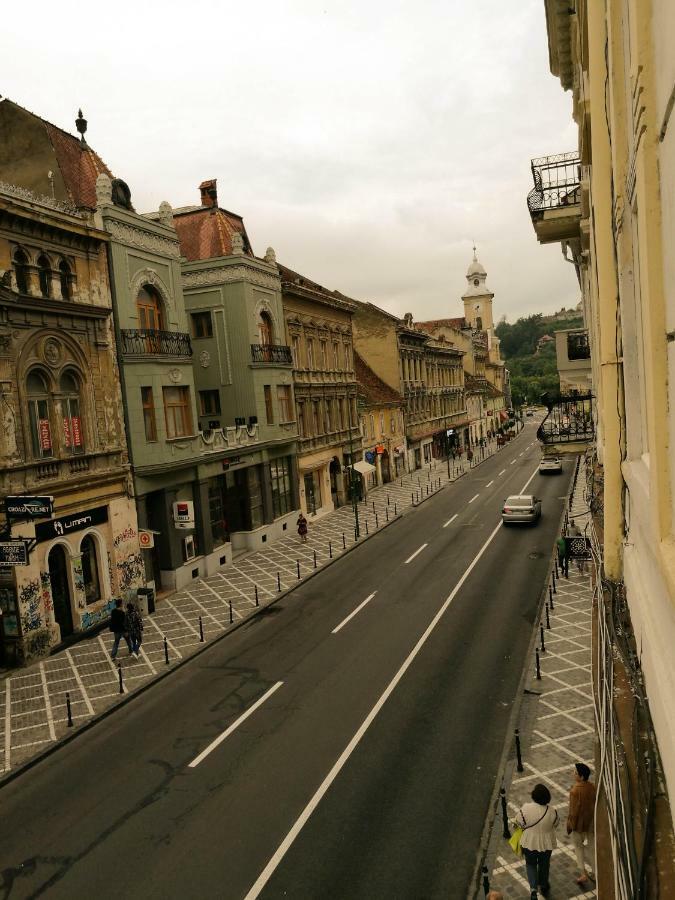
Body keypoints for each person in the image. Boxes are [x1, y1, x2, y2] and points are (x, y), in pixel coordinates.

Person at [516, 783, 559, 900]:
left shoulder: (525, 808)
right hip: (547, 844)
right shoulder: (552, 811)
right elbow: (556, 824)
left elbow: (518, 822)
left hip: (529, 843)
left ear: (534, 796)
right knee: (544, 865)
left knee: (530, 864)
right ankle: (544, 884)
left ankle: (533, 890)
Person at [567, 762, 596, 886]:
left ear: (582, 777)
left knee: (579, 848)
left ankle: (583, 873)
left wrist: (570, 825)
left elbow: (574, 812)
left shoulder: (574, 791)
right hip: (590, 823)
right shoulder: (592, 787)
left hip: (579, 825)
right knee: (591, 848)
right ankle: (595, 872)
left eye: (576, 773)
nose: (573, 774)